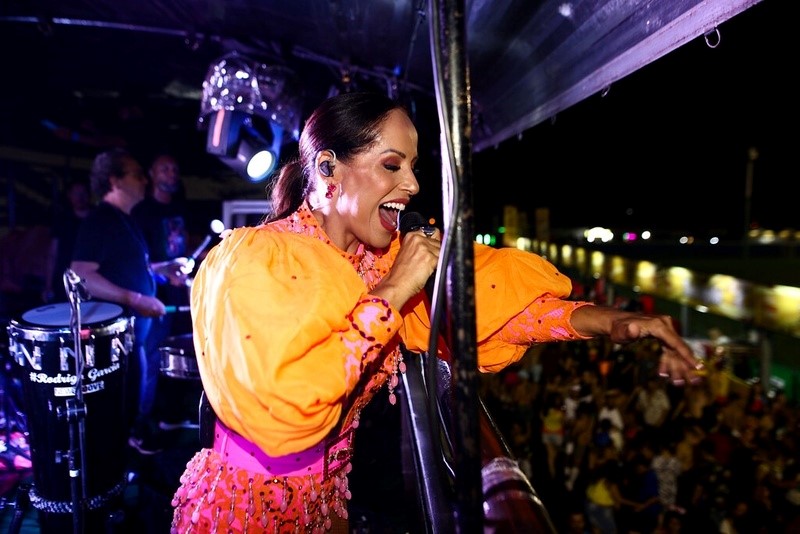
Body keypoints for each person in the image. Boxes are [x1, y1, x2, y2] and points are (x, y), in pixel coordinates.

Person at [170, 91, 703, 532]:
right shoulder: (256, 258)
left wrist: (612, 322)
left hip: (329, 505)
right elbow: (287, 401)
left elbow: (491, 298)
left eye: (414, 167)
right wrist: (396, 287)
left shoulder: (381, 261)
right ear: (329, 167)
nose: (414, 185)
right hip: (243, 512)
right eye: (391, 165)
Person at [71, 147, 183, 455]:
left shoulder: (125, 219)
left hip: (134, 332)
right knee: (116, 413)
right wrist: (134, 299)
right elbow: (80, 273)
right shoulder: (101, 220)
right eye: (136, 174)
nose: (145, 179)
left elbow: (128, 267)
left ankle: (131, 448)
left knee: (133, 401)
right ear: (115, 180)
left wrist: (163, 270)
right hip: (114, 338)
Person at [131, 152, 195, 429]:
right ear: (152, 174)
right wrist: (166, 269)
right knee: (153, 357)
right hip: (155, 297)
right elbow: (137, 263)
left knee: (184, 353)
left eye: (174, 169)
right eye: (165, 169)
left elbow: (182, 247)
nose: (171, 174)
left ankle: (177, 412)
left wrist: (186, 265)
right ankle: (146, 421)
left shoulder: (180, 207)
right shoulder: (141, 212)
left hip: (181, 294)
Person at [42, 178, 92, 303]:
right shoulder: (63, 220)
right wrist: (48, 286)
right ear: (69, 196)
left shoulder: (96, 219)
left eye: (83, 193)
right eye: (76, 193)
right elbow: (52, 254)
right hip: (65, 279)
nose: (80, 197)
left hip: (92, 278)